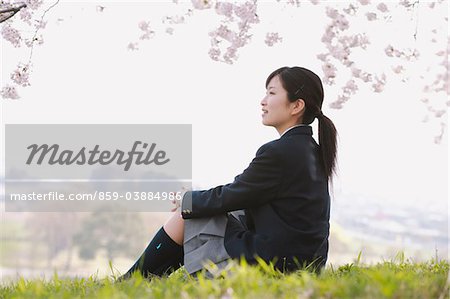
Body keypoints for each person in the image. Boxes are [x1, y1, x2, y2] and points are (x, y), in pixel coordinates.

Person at [119, 66, 338, 280]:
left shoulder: (280, 151)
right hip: (302, 263)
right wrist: (193, 200)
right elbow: (243, 192)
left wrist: (187, 200)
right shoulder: (310, 149)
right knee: (204, 209)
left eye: (271, 93)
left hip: (273, 267)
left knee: (188, 214)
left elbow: (233, 194)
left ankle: (132, 280)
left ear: (296, 106)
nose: (263, 101)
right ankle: (146, 277)